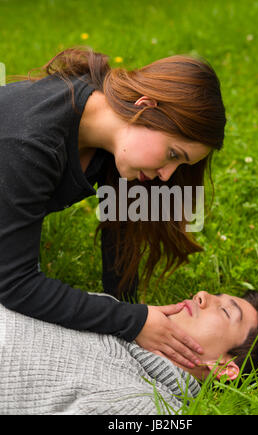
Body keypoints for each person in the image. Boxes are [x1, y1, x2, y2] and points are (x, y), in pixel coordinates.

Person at [0, 46, 226, 369]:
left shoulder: (107, 134)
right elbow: (14, 285)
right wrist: (131, 321)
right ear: (145, 107)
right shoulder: (31, 141)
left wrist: (134, 315)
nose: (166, 175)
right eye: (173, 155)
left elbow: (120, 242)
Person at [0, 290, 258, 415]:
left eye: (225, 311)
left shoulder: (148, 406)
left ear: (223, 367)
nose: (202, 295)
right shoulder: (117, 314)